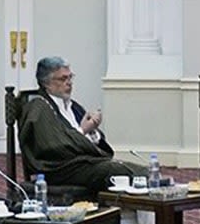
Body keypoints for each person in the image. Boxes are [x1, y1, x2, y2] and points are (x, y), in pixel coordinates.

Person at [17, 57, 150, 197]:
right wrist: (83, 130)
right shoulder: (39, 107)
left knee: (141, 172)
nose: (69, 83)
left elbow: (93, 144)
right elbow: (54, 147)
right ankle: (127, 216)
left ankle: (140, 212)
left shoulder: (72, 106)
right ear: (47, 83)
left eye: (70, 77)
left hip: (84, 164)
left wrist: (93, 132)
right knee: (121, 172)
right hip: (60, 169)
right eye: (63, 79)